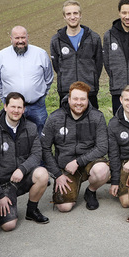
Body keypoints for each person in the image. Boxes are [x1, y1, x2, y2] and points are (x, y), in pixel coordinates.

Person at [0, 92, 50, 231]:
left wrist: (22, 169)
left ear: (24, 109)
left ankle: (32, 210)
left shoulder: (31, 127)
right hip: (2, 184)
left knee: (42, 174)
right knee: (9, 225)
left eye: (19, 107)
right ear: (5, 107)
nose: (16, 110)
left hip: (21, 177)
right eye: (12, 106)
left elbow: (37, 154)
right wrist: (0, 195)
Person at [41, 81, 110, 212]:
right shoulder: (55, 118)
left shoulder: (97, 117)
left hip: (90, 162)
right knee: (64, 207)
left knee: (102, 171)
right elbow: (44, 148)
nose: (79, 102)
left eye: (83, 99)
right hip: (66, 167)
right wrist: (57, 175)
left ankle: (91, 191)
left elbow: (102, 147)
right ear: (69, 98)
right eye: (75, 99)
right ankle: (72, 186)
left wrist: (79, 161)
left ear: (87, 99)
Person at [0, 26, 53, 135]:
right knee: (13, 137)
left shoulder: (40, 54)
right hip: (13, 108)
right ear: (11, 39)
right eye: (17, 38)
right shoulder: (0, 57)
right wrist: (6, 99)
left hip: (37, 107)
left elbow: (48, 78)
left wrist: (41, 95)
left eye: (23, 37)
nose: (20, 41)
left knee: (40, 136)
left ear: (28, 37)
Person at [50, 0, 103, 109]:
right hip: (66, 91)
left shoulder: (93, 38)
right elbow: (56, 66)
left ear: (80, 15)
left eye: (75, 13)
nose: (72, 17)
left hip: (89, 91)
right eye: (68, 14)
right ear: (64, 17)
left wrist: (90, 78)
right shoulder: (56, 40)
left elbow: (98, 64)